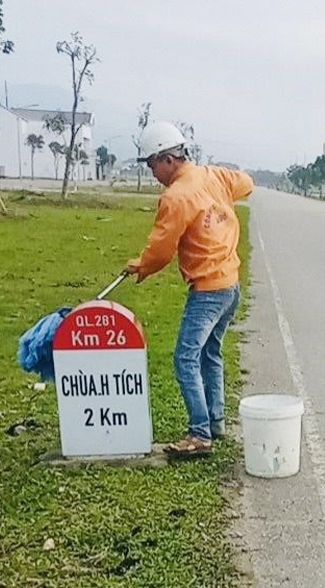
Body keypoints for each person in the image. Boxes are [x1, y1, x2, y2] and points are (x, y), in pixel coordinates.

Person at [124, 121, 253, 455]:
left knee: (186, 358)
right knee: (210, 353)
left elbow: (162, 249)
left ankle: (200, 434)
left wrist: (142, 265)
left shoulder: (176, 196)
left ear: (168, 159)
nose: (153, 172)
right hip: (231, 286)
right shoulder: (214, 175)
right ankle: (215, 422)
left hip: (209, 291)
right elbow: (247, 183)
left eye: (152, 164)